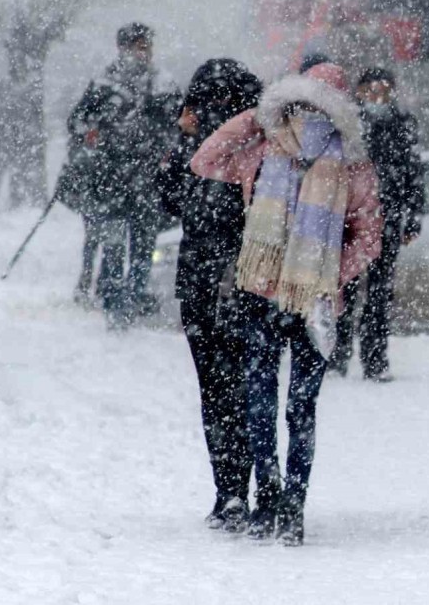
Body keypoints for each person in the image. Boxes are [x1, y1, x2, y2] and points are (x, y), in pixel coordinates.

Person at [191, 62, 383, 546]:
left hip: (281, 298)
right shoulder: (283, 150)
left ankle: (276, 501)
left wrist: (322, 275)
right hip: (292, 300)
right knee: (295, 407)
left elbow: (207, 158)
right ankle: (287, 503)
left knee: (269, 402)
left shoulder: (278, 151)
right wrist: (327, 276)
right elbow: (205, 160)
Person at [155, 59, 263, 532]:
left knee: (219, 391)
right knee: (242, 388)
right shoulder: (258, 144)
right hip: (242, 280)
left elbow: (168, 200)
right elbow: (169, 199)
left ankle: (232, 489)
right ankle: (249, 487)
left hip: (213, 280)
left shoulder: (215, 149)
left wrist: (182, 139)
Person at [64, 22, 182, 326]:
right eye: (138, 46)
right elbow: (77, 121)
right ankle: (115, 299)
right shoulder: (104, 84)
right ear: (123, 48)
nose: (143, 53)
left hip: (145, 180)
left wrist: (166, 148)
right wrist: (91, 132)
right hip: (111, 179)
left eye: (146, 46)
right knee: (115, 243)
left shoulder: (162, 83)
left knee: (143, 246)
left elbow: (177, 126)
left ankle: (132, 296)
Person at [328, 67, 423, 382]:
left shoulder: (402, 125)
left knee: (380, 294)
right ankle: (338, 354)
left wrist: (412, 218)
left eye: (384, 91)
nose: (377, 98)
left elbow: (414, 173)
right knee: (346, 289)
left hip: (388, 218)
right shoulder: (348, 125)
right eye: (371, 91)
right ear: (359, 92)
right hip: (352, 220)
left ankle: (375, 359)